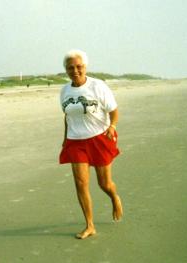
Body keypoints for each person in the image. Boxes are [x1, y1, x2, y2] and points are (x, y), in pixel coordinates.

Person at [59, 49, 123, 239]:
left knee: (104, 184)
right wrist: (65, 139)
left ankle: (114, 197)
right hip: (75, 141)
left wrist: (112, 126)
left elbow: (114, 110)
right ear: (66, 70)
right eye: (71, 68)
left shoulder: (98, 86)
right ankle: (90, 225)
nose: (75, 71)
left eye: (79, 67)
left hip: (99, 138)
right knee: (80, 183)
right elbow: (68, 116)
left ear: (85, 67)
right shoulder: (64, 91)